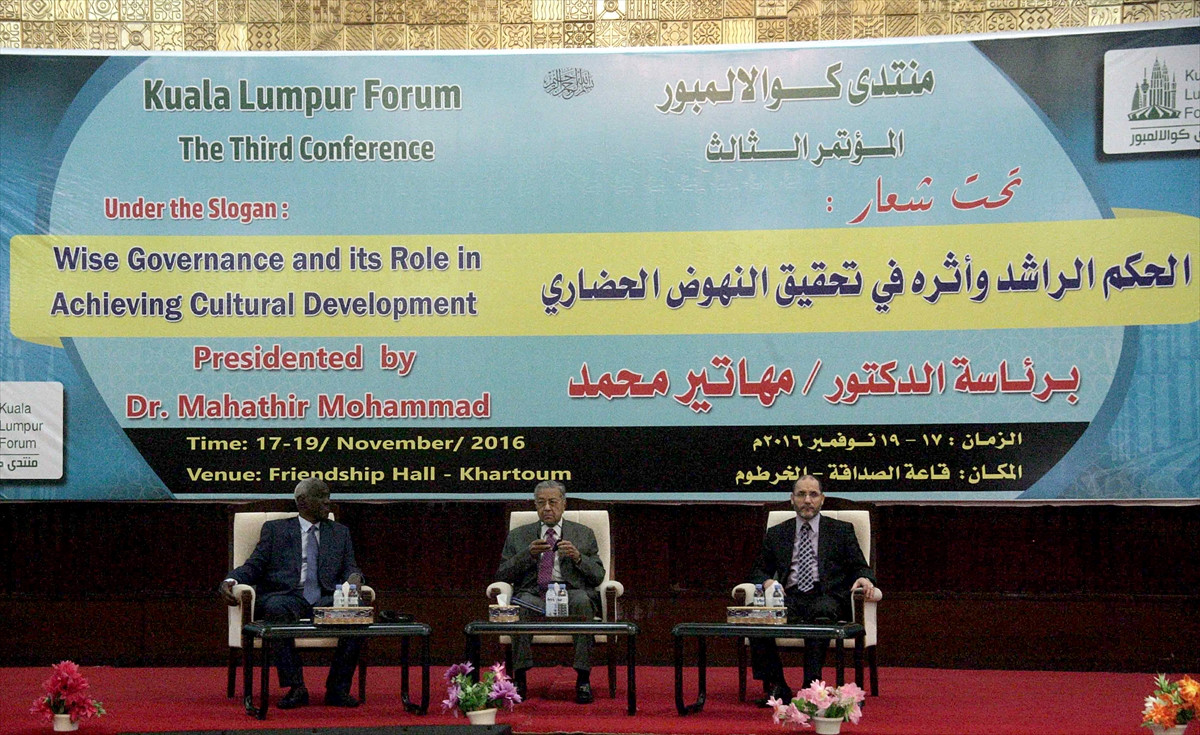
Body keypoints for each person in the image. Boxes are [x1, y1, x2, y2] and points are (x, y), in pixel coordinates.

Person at [219, 478, 364, 709]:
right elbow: (254, 566)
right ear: (302, 501)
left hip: (325, 598)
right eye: (321, 496)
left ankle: (337, 688)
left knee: (355, 615)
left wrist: (355, 578)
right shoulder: (276, 530)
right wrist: (231, 580)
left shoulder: (339, 532)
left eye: (328, 496)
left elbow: (350, 567)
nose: (328, 502)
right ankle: (296, 687)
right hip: (288, 597)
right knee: (276, 609)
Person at [748, 475, 875, 705]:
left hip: (827, 597)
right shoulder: (777, 533)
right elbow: (758, 571)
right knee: (755, 615)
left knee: (821, 610)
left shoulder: (841, 530)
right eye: (801, 494)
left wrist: (864, 578)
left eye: (813, 494)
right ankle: (777, 685)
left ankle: (811, 685)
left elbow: (860, 566)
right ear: (792, 499)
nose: (807, 500)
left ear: (822, 499)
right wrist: (767, 583)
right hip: (790, 598)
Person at [496, 480, 606, 704]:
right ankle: (520, 678)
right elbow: (503, 574)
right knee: (519, 606)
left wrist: (578, 557)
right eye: (541, 503)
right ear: (535, 505)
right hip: (534, 595)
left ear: (564, 504)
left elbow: (598, 576)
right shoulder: (518, 535)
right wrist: (527, 555)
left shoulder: (583, 534)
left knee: (583, 602)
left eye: (553, 502)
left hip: (570, 593)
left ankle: (583, 678)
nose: (547, 508)